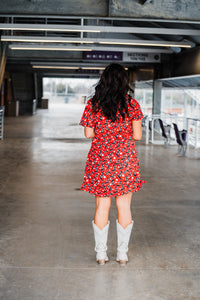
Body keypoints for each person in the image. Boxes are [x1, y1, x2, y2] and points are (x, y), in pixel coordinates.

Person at [79, 63, 145, 266]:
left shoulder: (93, 104)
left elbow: (89, 133)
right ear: (124, 82)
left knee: (102, 206)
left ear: (103, 81)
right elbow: (138, 135)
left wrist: (104, 134)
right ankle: (122, 255)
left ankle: (101, 255)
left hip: (100, 160)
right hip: (125, 160)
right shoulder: (132, 105)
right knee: (124, 205)